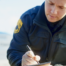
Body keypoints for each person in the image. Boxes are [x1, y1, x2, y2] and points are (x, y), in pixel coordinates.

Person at [7, 0, 66, 66]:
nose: (53, 12)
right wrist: (21, 63)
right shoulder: (27, 18)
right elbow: (14, 51)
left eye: (61, 7)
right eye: (51, 3)